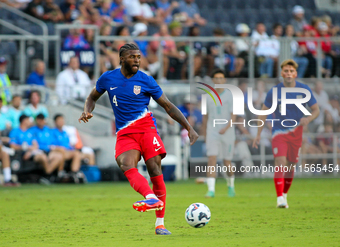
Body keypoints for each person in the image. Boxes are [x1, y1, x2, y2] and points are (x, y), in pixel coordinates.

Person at [78, 43, 199, 235]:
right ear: (122, 59)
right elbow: (92, 97)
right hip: (125, 132)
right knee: (126, 164)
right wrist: (86, 111)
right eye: (132, 57)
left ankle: (160, 223)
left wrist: (189, 127)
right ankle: (150, 197)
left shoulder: (146, 80)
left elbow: (168, 106)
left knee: (154, 169)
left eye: (138, 57)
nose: (137, 60)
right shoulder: (107, 78)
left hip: (146, 129)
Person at [252, 59, 320, 208]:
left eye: (291, 71)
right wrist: (258, 134)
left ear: (295, 73)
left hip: (296, 133)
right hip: (279, 132)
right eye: (286, 71)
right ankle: (279, 198)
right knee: (280, 162)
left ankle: (284, 195)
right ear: (282, 73)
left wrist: (308, 118)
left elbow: (316, 110)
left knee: (291, 165)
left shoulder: (304, 90)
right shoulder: (274, 92)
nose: (288, 73)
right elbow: (263, 113)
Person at [201, 69, 236, 198]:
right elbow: (205, 117)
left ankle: (230, 185)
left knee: (227, 161)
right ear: (213, 81)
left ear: (225, 80)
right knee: (212, 159)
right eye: (216, 78)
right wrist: (205, 133)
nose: (219, 80)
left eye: (221, 78)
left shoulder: (230, 96)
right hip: (212, 132)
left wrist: (226, 128)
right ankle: (211, 190)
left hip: (227, 132)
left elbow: (234, 116)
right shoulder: (207, 96)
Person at [52, 114, 84, 181]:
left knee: (77, 153)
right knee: (62, 151)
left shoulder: (65, 133)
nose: (61, 122)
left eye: (62, 120)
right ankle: (60, 172)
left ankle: (74, 172)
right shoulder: (52, 132)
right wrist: (59, 148)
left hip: (67, 151)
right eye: (59, 120)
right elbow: (51, 145)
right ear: (55, 122)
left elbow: (69, 145)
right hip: (57, 151)